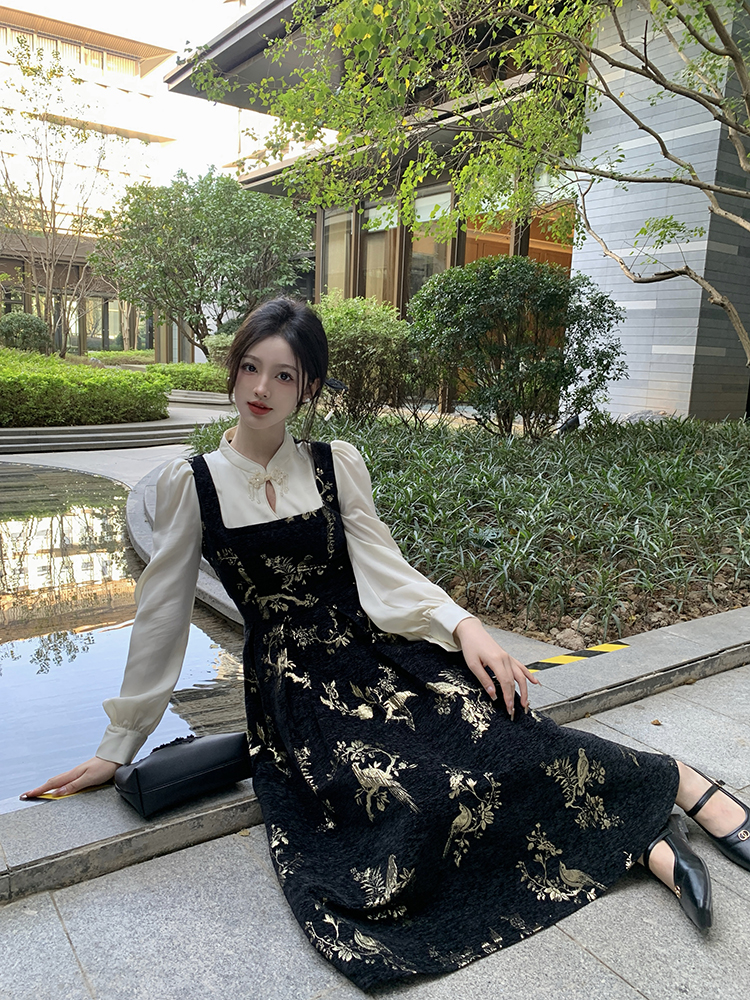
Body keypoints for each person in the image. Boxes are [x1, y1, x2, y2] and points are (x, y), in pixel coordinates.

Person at [23, 299, 750, 990]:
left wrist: (465, 626)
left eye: (283, 375)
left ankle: (677, 786)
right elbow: (161, 614)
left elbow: (387, 572)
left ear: (308, 387)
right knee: (413, 805)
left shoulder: (333, 464)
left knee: (502, 735)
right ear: (234, 370)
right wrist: (120, 743)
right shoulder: (193, 484)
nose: (262, 389)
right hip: (297, 692)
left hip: (381, 655)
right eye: (250, 367)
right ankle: (645, 838)